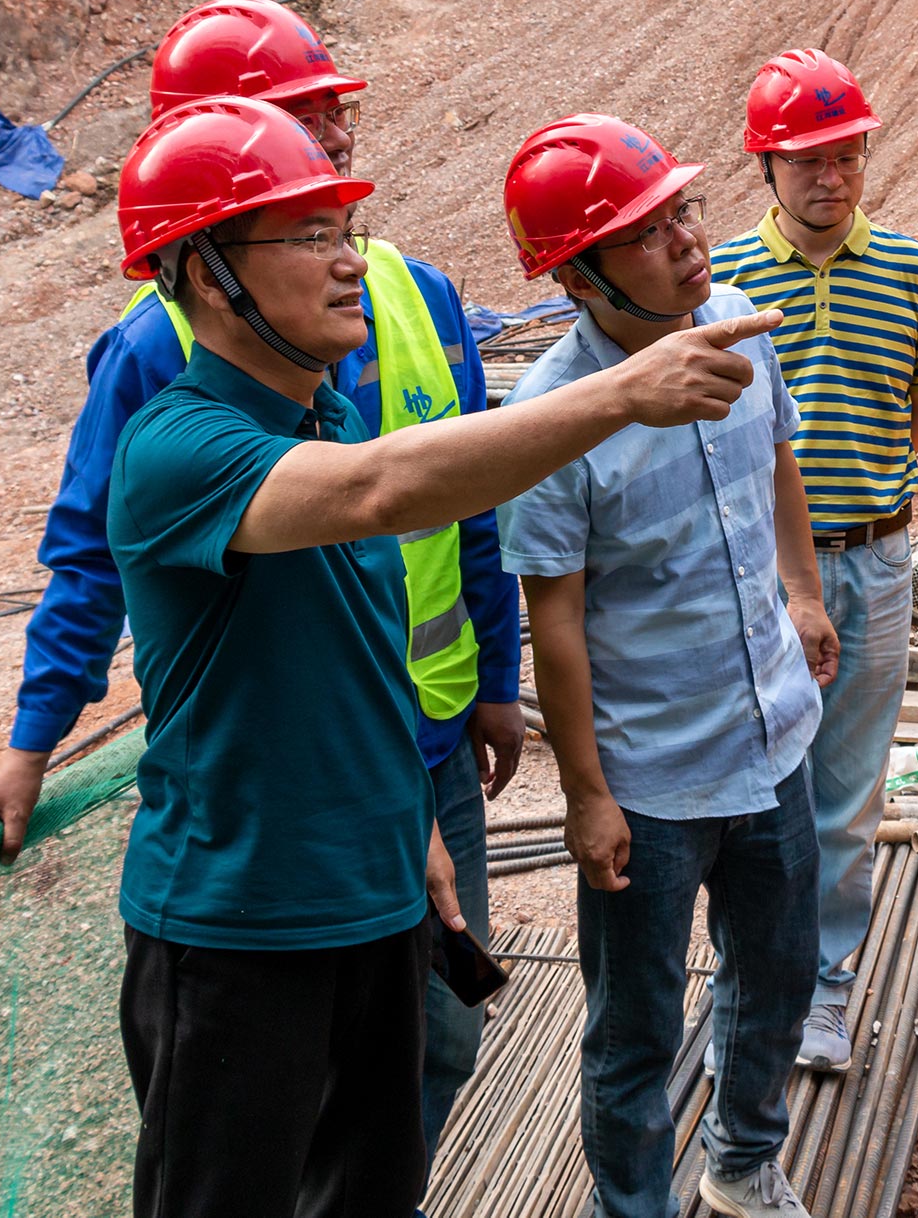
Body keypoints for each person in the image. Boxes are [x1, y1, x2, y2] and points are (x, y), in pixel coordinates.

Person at [96, 96, 784, 1218]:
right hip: (241, 927)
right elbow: (388, 488)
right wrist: (623, 390)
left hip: (372, 898)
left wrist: (408, 823)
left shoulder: (324, 425)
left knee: (374, 1193)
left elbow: (361, 660)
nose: (348, 263)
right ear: (208, 272)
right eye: (308, 236)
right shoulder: (180, 446)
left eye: (345, 231)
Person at [0, 0, 523, 1164]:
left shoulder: (406, 293)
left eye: (331, 113)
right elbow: (93, 554)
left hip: (414, 745)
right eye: (299, 117)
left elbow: (465, 509)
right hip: (279, 799)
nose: (333, 134)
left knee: (430, 1048)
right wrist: (32, 739)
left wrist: (495, 681)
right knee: (271, 1114)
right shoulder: (158, 354)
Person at [497, 115, 838, 1218]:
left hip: (771, 735)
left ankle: (742, 1161)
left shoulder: (742, 328)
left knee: (779, 973)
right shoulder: (549, 419)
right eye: (645, 233)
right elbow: (554, 619)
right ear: (578, 276)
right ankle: (633, 1207)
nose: (686, 240)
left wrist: (802, 592)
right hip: (650, 779)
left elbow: (776, 460)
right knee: (635, 1027)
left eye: (681, 212)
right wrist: (586, 795)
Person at [709, 50, 918, 1070]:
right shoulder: (722, 282)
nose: (831, 175)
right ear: (766, 165)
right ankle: (744, 987)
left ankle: (822, 988)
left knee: (847, 789)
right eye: (807, 158)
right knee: (750, 785)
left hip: (875, 560)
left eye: (846, 154)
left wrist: (855, 500)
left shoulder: (912, 271)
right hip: (755, 573)